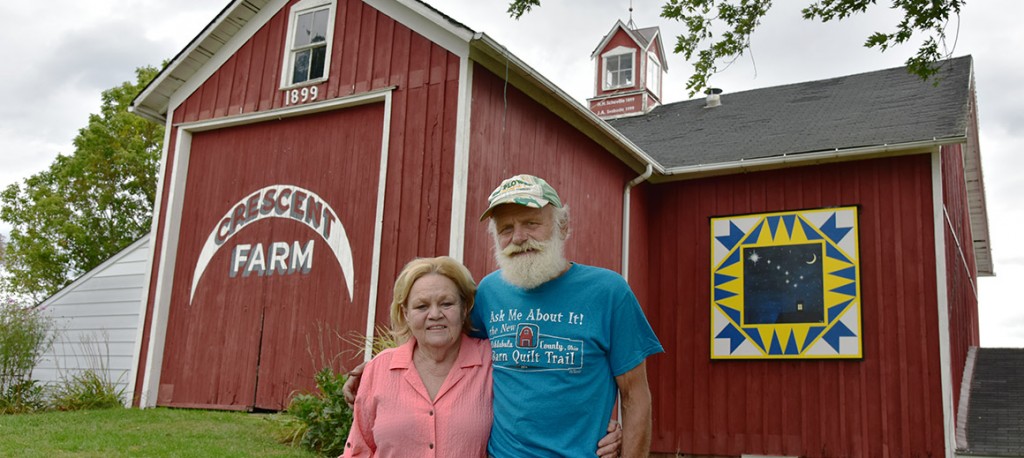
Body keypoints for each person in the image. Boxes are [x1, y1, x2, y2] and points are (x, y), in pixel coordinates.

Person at [472, 174, 663, 457]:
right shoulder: (487, 292)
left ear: (563, 226)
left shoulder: (609, 292)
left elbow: (635, 397)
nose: (519, 237)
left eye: (531, 223)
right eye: (506, 228)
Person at [342, 256, 492, 457]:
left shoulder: (491, 362)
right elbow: (359, 450)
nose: (435, 314)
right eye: (422, 306)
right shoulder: (378, 369)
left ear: (464, 309)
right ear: (406, 314)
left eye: (446, 303)